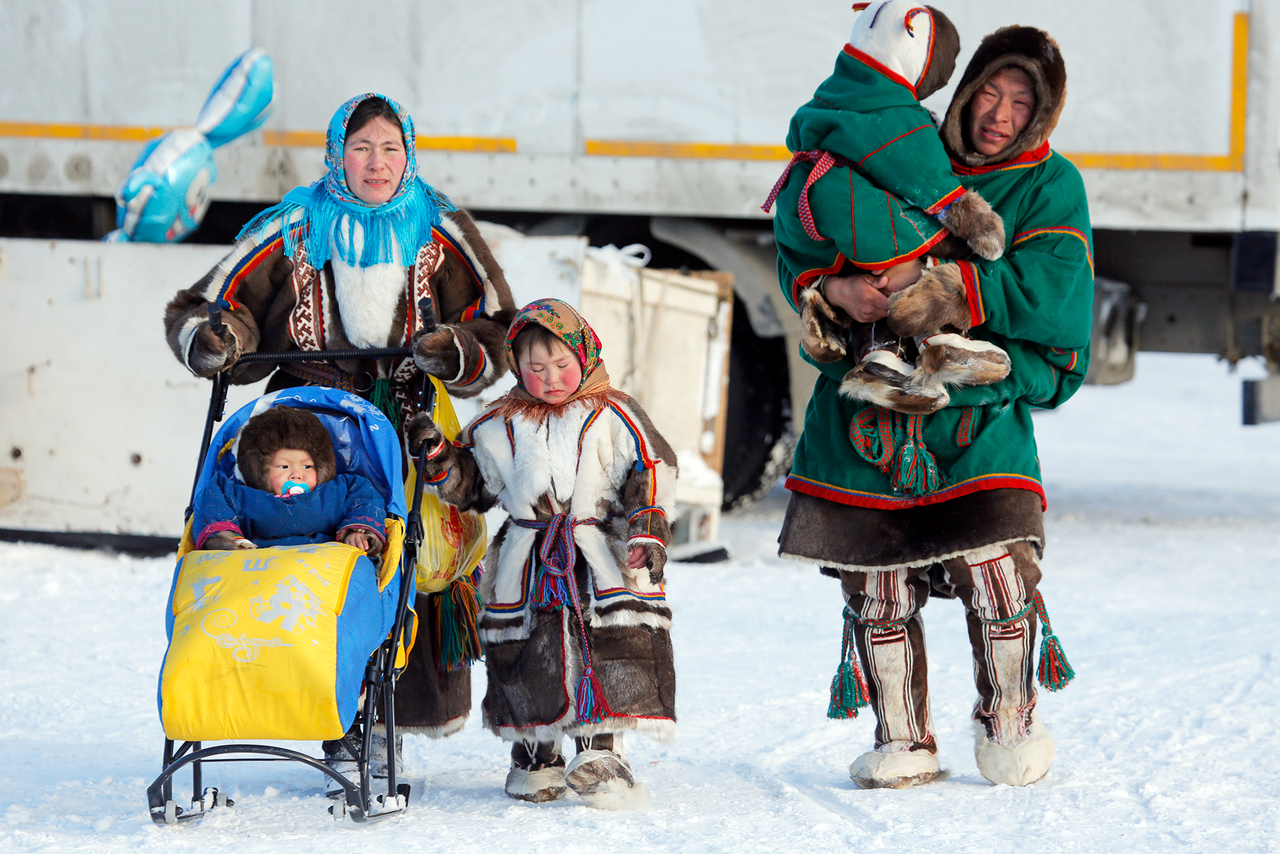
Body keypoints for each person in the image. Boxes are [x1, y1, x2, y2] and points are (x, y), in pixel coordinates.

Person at [776, 24, 1093, 788]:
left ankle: (1010, 725)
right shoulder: (903, 154)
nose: (1000, 113)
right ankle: (903, 740)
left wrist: (953, 291)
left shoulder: (1052, 186)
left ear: (1042, 115)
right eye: (990, 90)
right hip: (870, 421)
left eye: (1022, 102)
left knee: (997, 578)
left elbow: (1055, 296)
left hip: (975, 419)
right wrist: (833, 292)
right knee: (878, 588)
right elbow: (806, 226)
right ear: (966, 89)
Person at [162, 93, 518, 773]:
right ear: (336, 154)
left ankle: (386, 715)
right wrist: (220, 338)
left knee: (403, 555)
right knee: (301, 546)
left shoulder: (442, 233)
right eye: (361, 148)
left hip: (409, 419)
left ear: (408, 154)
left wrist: (456, 351)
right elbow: (209, 306)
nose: (376, 163)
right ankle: (297, 692)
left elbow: (496, 325)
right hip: (304, 421)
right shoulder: (292, 227)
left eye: (390, 149)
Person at [405, 299, 677, 808]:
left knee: (605, 643)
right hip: (527, 557)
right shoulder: (495, 424)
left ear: (584, 353)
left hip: (598, 552)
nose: (550, 378)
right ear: (516, 366)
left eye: (560, 364)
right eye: (534, 368)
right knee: (528, 651)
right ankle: (536, 754)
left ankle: (600, 751)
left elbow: (652, 468)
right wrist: (441, 458)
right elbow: (473, 487)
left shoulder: (613, 413)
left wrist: (646, 530)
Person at [764, 0, 1011, 416]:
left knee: (861, 272)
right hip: (855, 214)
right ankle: (941, 343)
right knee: (946, 247)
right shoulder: (895, 112)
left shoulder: (832, 92)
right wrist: (976, 222)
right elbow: (925, 179)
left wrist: (832, 287)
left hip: (807, 207)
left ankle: (879, 358)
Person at [193, 406, 386, 556]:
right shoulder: (243, 495)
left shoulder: (337, 490)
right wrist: (227, 540)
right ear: (260, 470)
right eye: (284, 467)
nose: (296, 475)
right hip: (257, 562)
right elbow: (213, 500)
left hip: (324, 562)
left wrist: (356, 531)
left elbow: (365, 498)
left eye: (307, 466)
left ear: (322, 468)